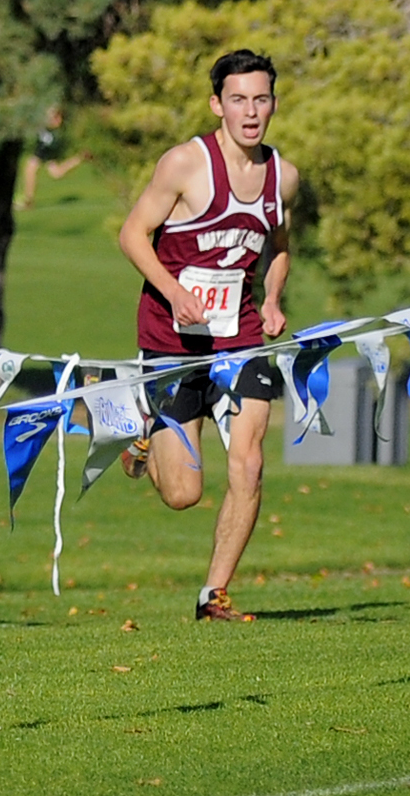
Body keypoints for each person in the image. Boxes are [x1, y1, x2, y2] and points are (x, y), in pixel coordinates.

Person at [117, 50, 299, 623]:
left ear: (273, 103)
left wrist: (271, 298)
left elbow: (279, 247)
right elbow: (132, 235)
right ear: (217, 104)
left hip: (238, 336)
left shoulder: (282, 177)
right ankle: (145, 430)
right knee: (183, 494)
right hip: (172, 338)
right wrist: (173, 291)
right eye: (239, 100)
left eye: (261, 99)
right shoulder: (184, 165)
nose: (251, 112)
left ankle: (213, 594)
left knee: (248, 462)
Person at [16, 104, 89, 210]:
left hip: (46, 148)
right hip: (45, 147)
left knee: (30, 168)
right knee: (57, 173)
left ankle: (28, 201)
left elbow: (51, 124)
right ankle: (80, 157)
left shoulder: (54, 132)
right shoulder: (45, 124)